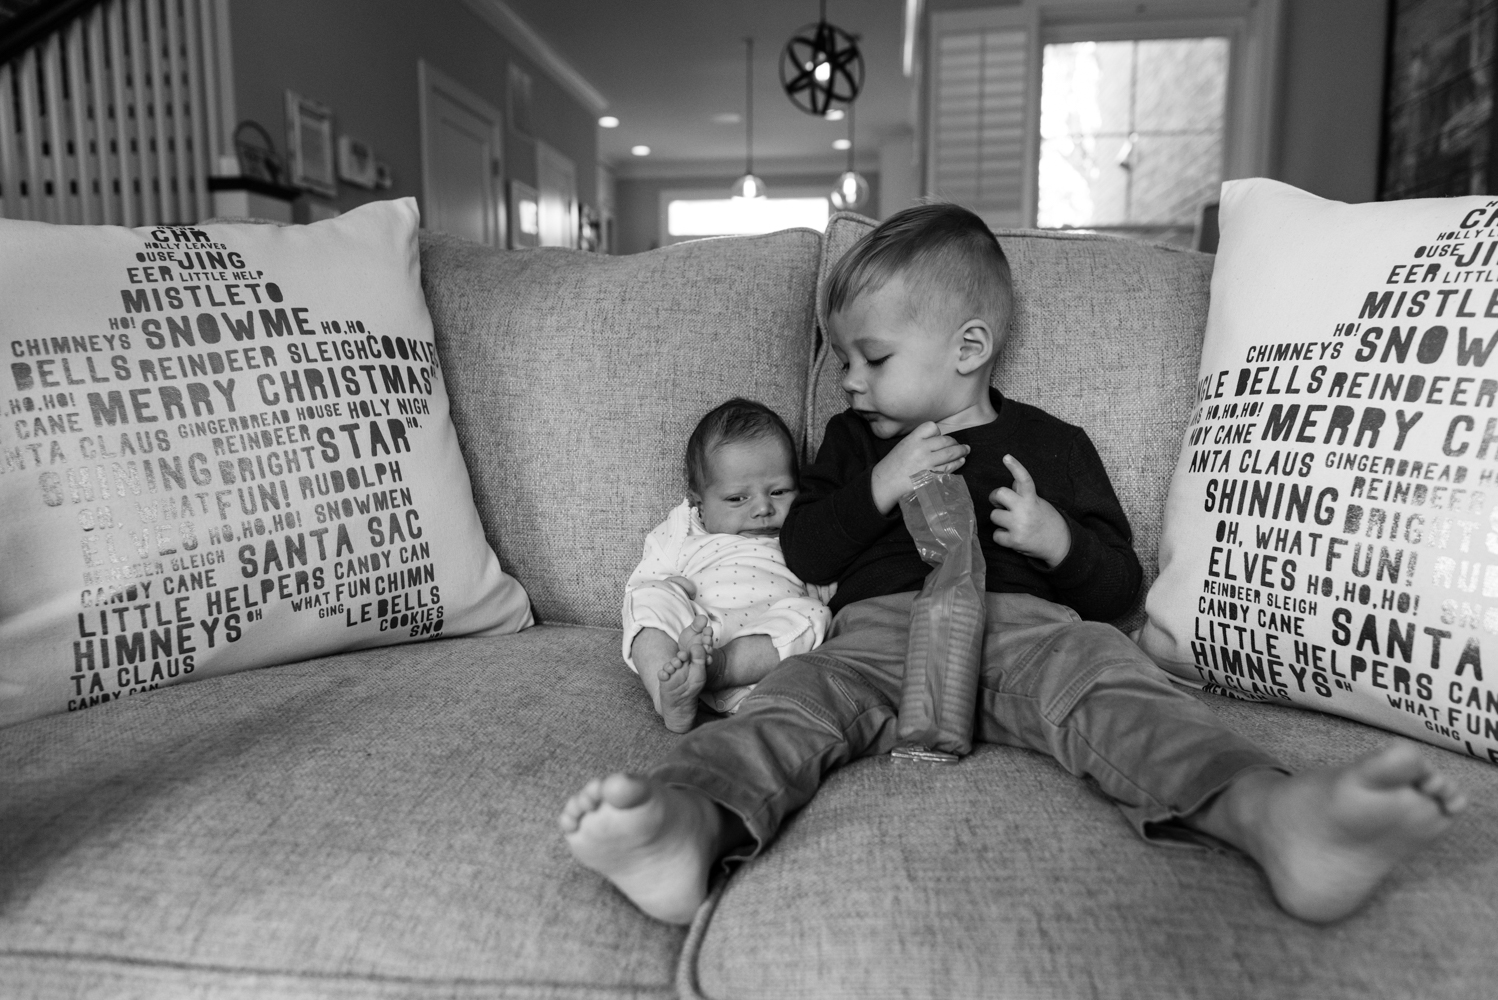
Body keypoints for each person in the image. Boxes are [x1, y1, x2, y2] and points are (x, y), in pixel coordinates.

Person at [560, 203, 1466, 926]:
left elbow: (1119, 590)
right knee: (794, 704)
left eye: (871, 358)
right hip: (878, 634)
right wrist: (879, 483)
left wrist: (1056, 541)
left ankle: (1278, 821)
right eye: (841, 361)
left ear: (968, 348)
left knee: (1118, 688)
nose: (849, 382)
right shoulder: (848, 444)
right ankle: (688, 826)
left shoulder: (1052, 445)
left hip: (1029, 629)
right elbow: (802, 550)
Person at [622, 398, 832, 733]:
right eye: (737, 498)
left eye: (779, 491)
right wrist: (673, 587)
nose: (763, 508)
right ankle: (669, 694)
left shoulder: (800, 532)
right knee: (648, 597)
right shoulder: (682, 531)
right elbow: (646, 582)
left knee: (814, 616)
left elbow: (825, 573)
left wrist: (825, 580)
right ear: (699, 503)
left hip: (759, 651)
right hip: (692, 631)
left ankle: (720, 669)